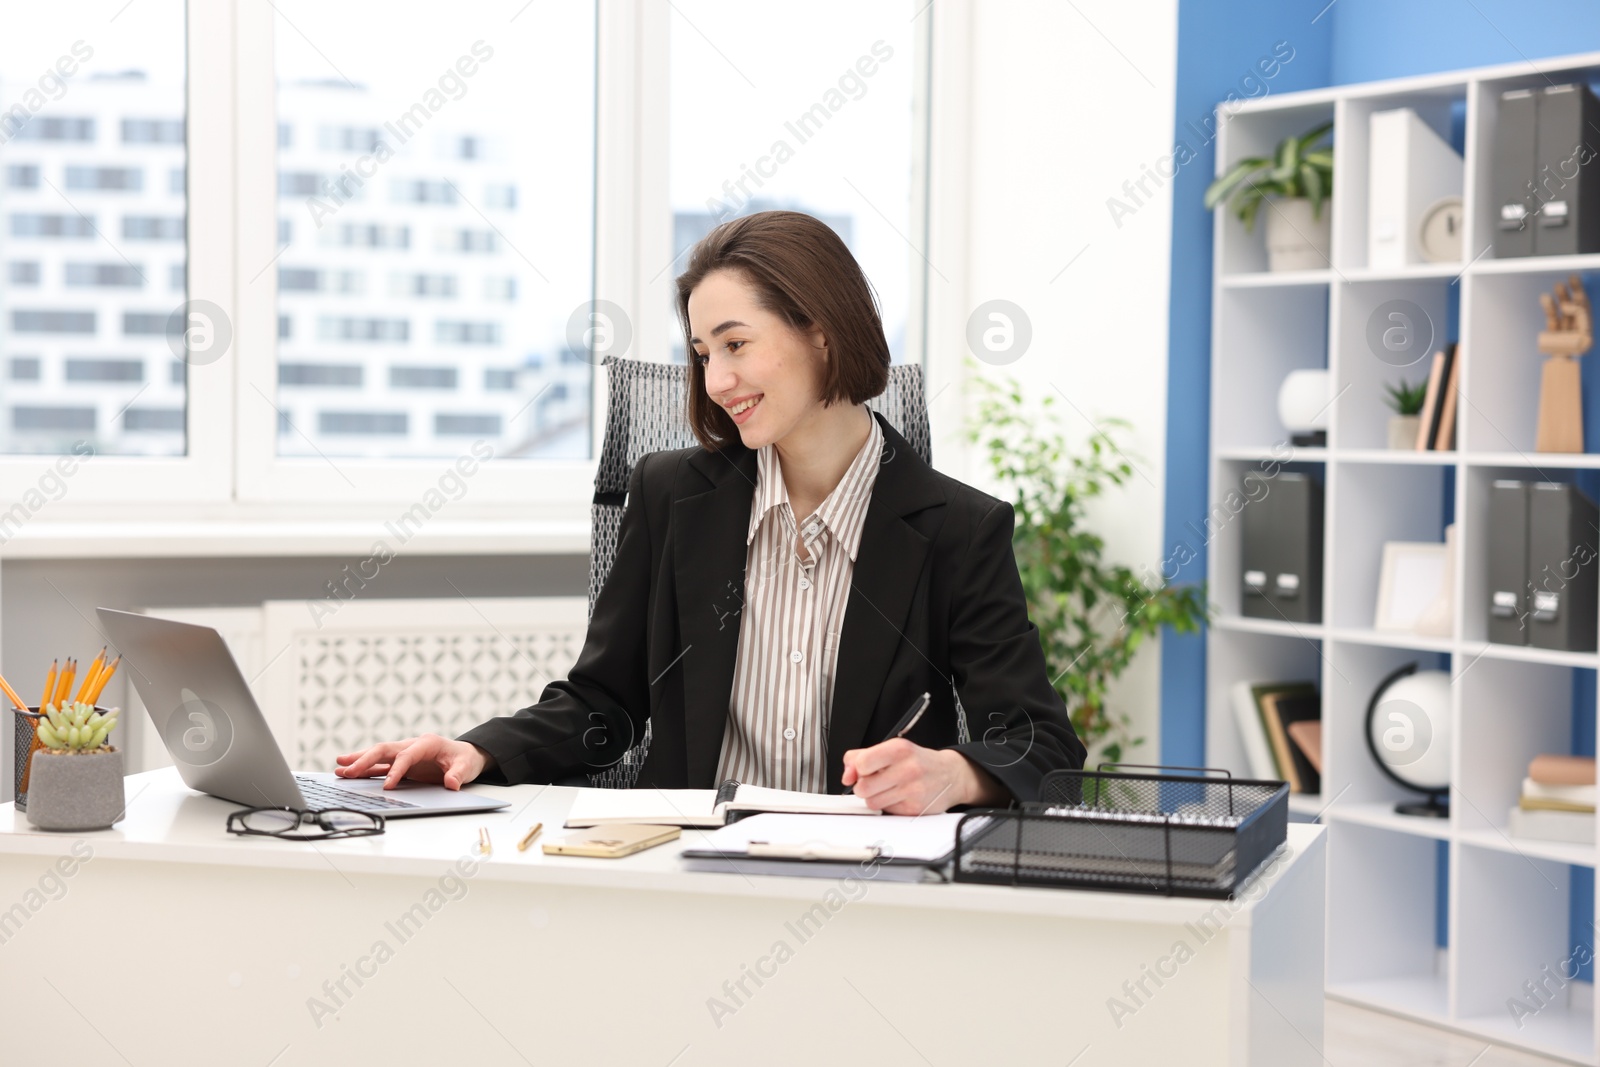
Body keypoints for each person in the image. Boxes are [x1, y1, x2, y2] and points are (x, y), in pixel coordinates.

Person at [336, 210, 1086, 814]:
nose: (717, 379)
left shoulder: (958, 529)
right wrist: (484, 749)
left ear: (821, 330)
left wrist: (954, 774)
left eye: (736, 344)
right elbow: (604, 702)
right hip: (686, 870)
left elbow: (1039, 745)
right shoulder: (672, 498)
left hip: (858, 886)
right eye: (701, 352)